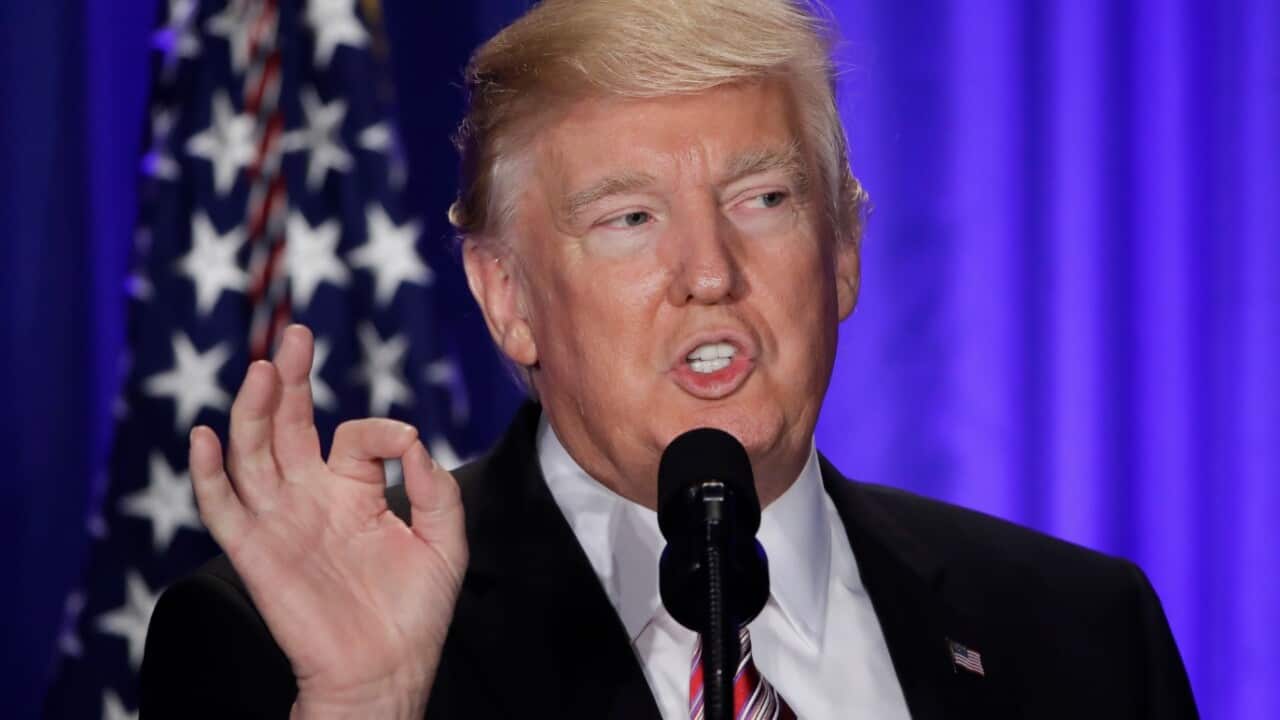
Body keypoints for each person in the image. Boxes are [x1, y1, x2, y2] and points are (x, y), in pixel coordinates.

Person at [139, 1, 1198, 718]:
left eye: (763, 199)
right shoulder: (288, 649)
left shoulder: (1084, 636)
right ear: (508, 299)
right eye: (630, 218)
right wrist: (367, 708)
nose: (708, 272)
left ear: (842, 252)